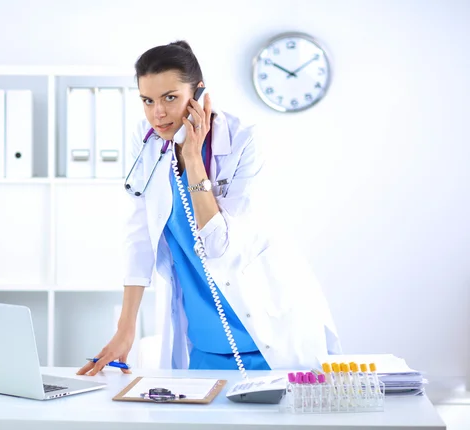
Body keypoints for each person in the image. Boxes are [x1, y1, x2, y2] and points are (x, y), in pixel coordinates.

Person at [77, 40, 341, 377]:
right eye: (148, 100)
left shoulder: (244, 140)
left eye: (170, 97)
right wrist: (126, 327)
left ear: (198, 94)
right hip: (204, 339)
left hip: (267, 332)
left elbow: (219, 246)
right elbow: (139, 235)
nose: (157, 113)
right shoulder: (146, 142)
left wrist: (192, 157)